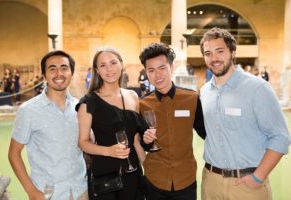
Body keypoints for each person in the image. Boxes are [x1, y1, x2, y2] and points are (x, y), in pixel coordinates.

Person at [199, 27, 291, 200]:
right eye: (208, 53)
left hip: (247, 186)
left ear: (232, 53)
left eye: (220, 51)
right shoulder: (204, 92)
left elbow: (280, 137)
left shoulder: (257, 88)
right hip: (211, 183)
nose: (214, 58)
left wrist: (258, 177)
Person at [8, 50, 88, 200]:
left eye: (64, 68)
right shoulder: (28, 110)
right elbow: (13, 154)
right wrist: (31, 191)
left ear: (71, 73)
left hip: (81, 191)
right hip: (48, 194)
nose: (59, 73)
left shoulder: (80, 107)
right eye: (52, 69)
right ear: (44, 75)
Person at [76, 46, 147, 200]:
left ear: (121, 64)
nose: (109, 69)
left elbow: (135, 140)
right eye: (103, 65)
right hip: (105, 177)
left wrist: (148, 166)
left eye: (113, 63)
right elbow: (83, 142)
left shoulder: (133, 96)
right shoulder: (88, 102)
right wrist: (109, 151)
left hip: (132, 173)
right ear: (97, 70)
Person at [138, 43, 206, 200]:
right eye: (151, 70)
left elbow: (205, 133)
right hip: (155, 180)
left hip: (186, 180)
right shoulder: (142, 105)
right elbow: (142, 141)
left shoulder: (192, 98)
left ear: (171, 67)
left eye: (162, 68)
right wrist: (146, 141)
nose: (157, 75)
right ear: (146, 73)